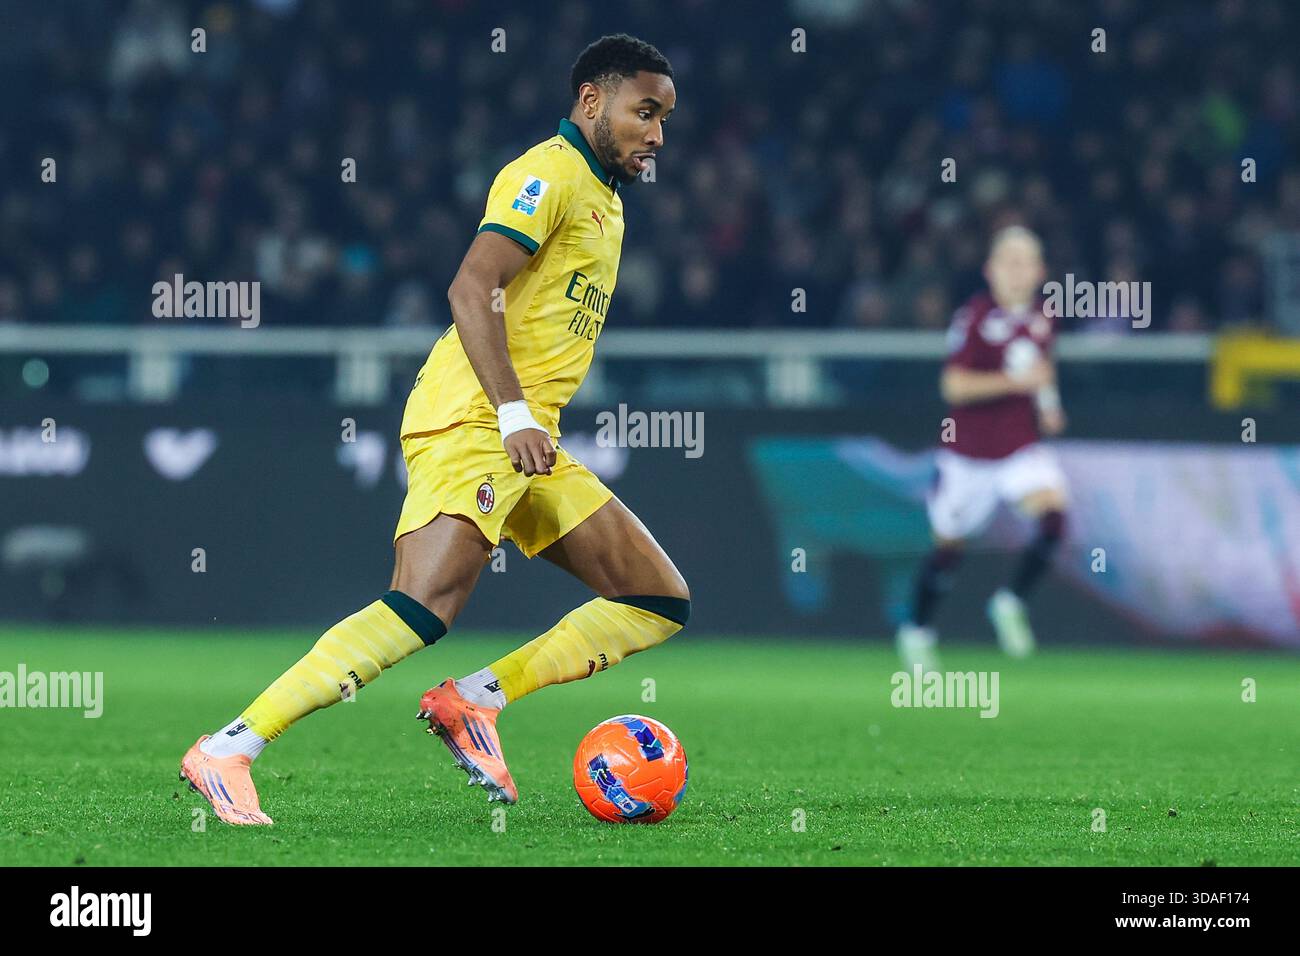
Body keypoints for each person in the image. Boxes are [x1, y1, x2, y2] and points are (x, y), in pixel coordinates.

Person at [180, 34, 687, 823]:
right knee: (421, 607)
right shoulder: (544, 175)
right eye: (643, 111)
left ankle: (475, 702)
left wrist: (528, 422)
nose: (656, 134)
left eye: (664, 118)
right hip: (479, 417)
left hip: (528, 434)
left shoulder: (605, 199)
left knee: (654, 598)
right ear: (592, 101)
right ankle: (229, 747)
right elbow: (471, 287)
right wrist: (513, 414)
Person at [896, 226, 1068, 673]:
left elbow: (1041, 370)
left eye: (1025, 262)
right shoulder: (973, 317)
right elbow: (954, 385)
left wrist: (1049, 406)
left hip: (1019, 449)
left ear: (1040, 271)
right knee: (948, 549)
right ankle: (916, 630)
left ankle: (1010, 602)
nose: (1017, 271)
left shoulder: (1043, 318)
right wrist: (1017, 384)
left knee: (1055, 516)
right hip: (967, 456)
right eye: (1008, 261)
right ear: (991, 270)